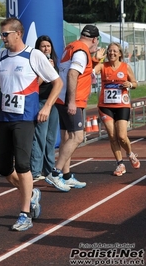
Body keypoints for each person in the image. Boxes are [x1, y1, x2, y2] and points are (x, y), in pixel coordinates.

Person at [0, 18, 62, 231]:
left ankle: (25, 213)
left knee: (22, 166)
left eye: (5, 35)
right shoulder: (1, 56)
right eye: (1, 35)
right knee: (3, 168)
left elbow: (57, 82)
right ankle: (31, 193)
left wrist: (47, 106)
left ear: (18, 33)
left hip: (25, 118)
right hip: (5, 118)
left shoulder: (33, 55)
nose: (2, 39)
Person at [45, 25, 101, 192]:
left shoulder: (71, 47)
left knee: (66, 137)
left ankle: (66, 175)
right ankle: (55, 173)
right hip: (71, 100)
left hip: (62, 98)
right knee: (77, 137)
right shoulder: (81, 51)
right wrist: (72, 101)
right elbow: (72, 74)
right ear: (94, 40)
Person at [94, 42, 140, 176]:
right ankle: (120, 164)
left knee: (122, 136)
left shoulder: (125, 67)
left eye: (114, 51)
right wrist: (96, 58)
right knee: (112, 136)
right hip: (105, 106)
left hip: (122, 106)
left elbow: (136, 83)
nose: (111, 53)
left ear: (120, 53)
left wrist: (130, 84)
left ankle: (130, 153)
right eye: (109, 51)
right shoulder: (103, 66)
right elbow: (91, 72)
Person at [30, 36, 60, 180]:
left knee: (50, 138)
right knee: (39, 137)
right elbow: (34, 84)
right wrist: (45, 70)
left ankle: (49, 170)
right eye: (43, 46)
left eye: (48, 46)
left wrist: (52, 69)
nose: (46, 49)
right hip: (41, 103)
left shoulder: (53, 63)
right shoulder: (34, 63)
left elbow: (58, 83)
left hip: (52, 103)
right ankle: (35, 170)